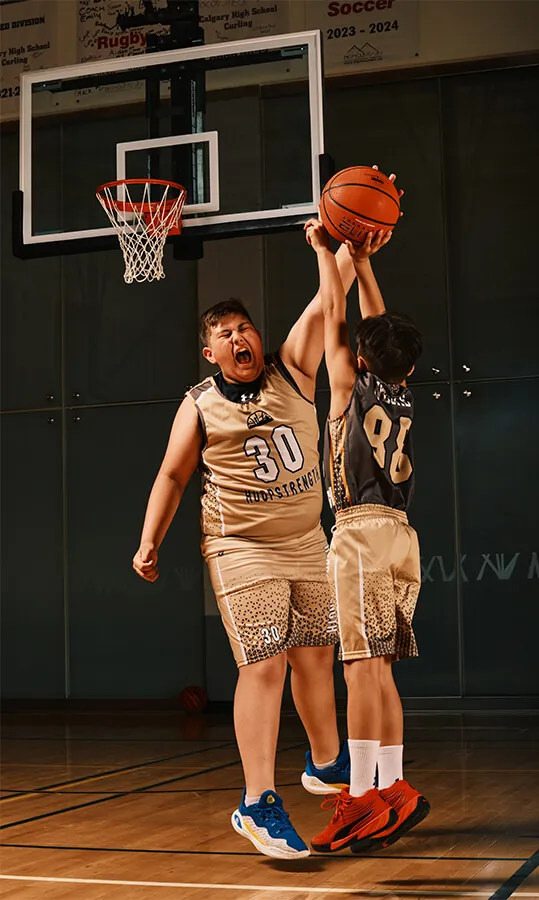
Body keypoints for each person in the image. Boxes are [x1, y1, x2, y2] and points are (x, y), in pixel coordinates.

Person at [132, 237, 371, 860]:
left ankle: (324, 762)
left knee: (316, 656)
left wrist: (352, 243)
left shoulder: (292, 369)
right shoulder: (199, 405)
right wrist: (149, 539)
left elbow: (325, 302)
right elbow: (173, 476)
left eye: (246, 328)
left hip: (305, 540)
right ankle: (257, 802)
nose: (240, 339)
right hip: (240, 549)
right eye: (225, 334)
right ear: (208, 352)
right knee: (264, 665)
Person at [304, 215, 430, 855]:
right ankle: (393, 787)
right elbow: (372, 322)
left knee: (358, 670)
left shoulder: (349, 389)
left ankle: (357, 800)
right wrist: (365, 259)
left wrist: (330, 254)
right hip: (403, 537)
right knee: (381, 672)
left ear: (360, 357)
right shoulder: (401, 390)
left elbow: (335, 312)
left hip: (357, 532)